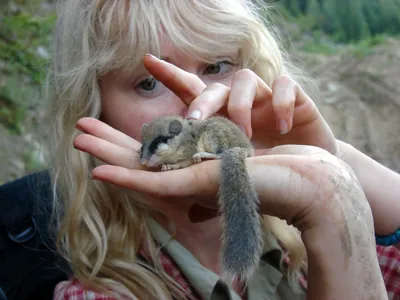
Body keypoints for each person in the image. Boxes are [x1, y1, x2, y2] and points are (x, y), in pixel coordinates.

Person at [44, 0, 400, 299]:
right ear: (96, 108)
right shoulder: (96, 293)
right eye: (149, 83)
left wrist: (331, 160)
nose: (196, 101)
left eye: (217, 66)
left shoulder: (302, 251)